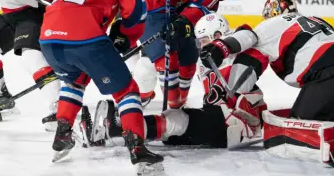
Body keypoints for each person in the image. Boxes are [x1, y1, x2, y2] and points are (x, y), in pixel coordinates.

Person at [39, 0, 163, 175]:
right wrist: (125, 35)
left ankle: (62, 135)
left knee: (74, 81)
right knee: (126, 90)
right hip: (85, 38)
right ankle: (137, 147)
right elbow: (137, 9)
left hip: (49, 39)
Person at [200, 0, 334, 167]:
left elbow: (248, 39)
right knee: (324, 106)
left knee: (295, 130)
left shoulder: (272, 25)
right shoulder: (314, 19)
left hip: (331, 75)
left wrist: (220, 47)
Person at [84, 12, 267, 149]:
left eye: (204, 40)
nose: (201, 45)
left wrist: (235, 36)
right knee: (173, 129)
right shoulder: (207, 60)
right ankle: (121, 129)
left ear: (218, 35)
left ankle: (118, 129)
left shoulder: (231, 48)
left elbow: (247, 36)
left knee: (177, 122)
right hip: (223, 119)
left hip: (234, 122)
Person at [140, 0, 233, 110]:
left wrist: (183, 22)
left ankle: (178, 105)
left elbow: (198, 9)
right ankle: (139, 101)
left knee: (189, 55)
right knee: (147, 67)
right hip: (151, 6)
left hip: (176, 11)